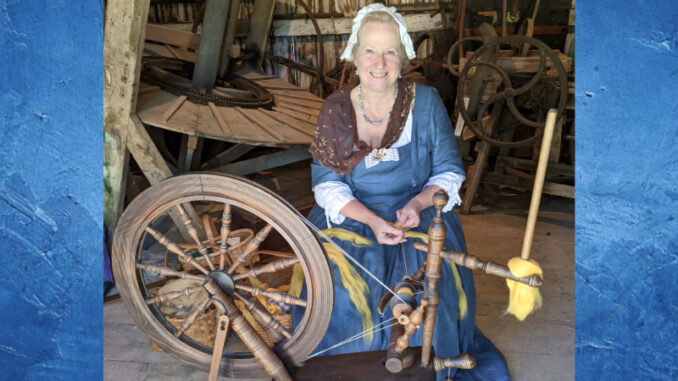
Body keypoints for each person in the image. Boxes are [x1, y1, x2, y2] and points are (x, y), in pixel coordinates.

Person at [296, 4, 510, 380]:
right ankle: (347, 367)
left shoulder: (425, 103)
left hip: (418, 212)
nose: (380, 63)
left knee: (428, 286)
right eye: (370, 51)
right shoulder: (335, 109)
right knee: (343, 289)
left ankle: (425, 363)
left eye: (390, 51)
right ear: (354, 55)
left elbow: (448, 170)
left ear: (404, 56)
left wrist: (416, 203)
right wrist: (373, 222)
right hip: (353, 215)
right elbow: (326, 183)